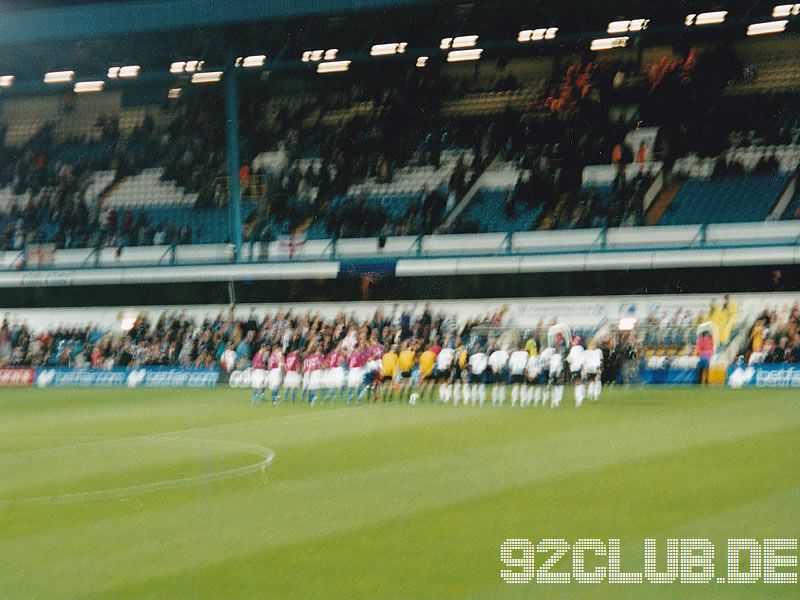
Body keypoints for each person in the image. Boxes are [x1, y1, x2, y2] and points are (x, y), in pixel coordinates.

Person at [566, 336, 585, 407]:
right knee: (580, 382)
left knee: (576, 384)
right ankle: (582, 396)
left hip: (574, 368)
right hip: (581, 368)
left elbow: (569, 359)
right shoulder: (582, 349)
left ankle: (579, 400)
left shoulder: (573, 349)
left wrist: (565, 359)